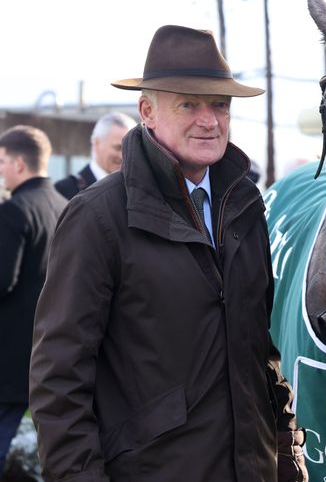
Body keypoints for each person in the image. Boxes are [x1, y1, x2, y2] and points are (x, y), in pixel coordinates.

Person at [29, 25, 307, 482]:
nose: (209, 119)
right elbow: (58, 378)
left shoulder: (245, 206)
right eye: (188, 103)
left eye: (220, 104)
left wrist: (287, 454)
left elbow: (260, 350)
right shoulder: (98, 217)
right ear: (147, 111)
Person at [0, 126, 67, 473]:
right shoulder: (64, 205)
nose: (0, 170)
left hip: (10, 354)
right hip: (52, 348)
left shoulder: (14, 211)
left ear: (20, 164)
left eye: (2, 161)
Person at [54, 112, 136, 199]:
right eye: (118, 148)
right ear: (97, 144)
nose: (123, 156)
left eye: (128, 149)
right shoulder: (65, 190)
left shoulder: (138, 189)